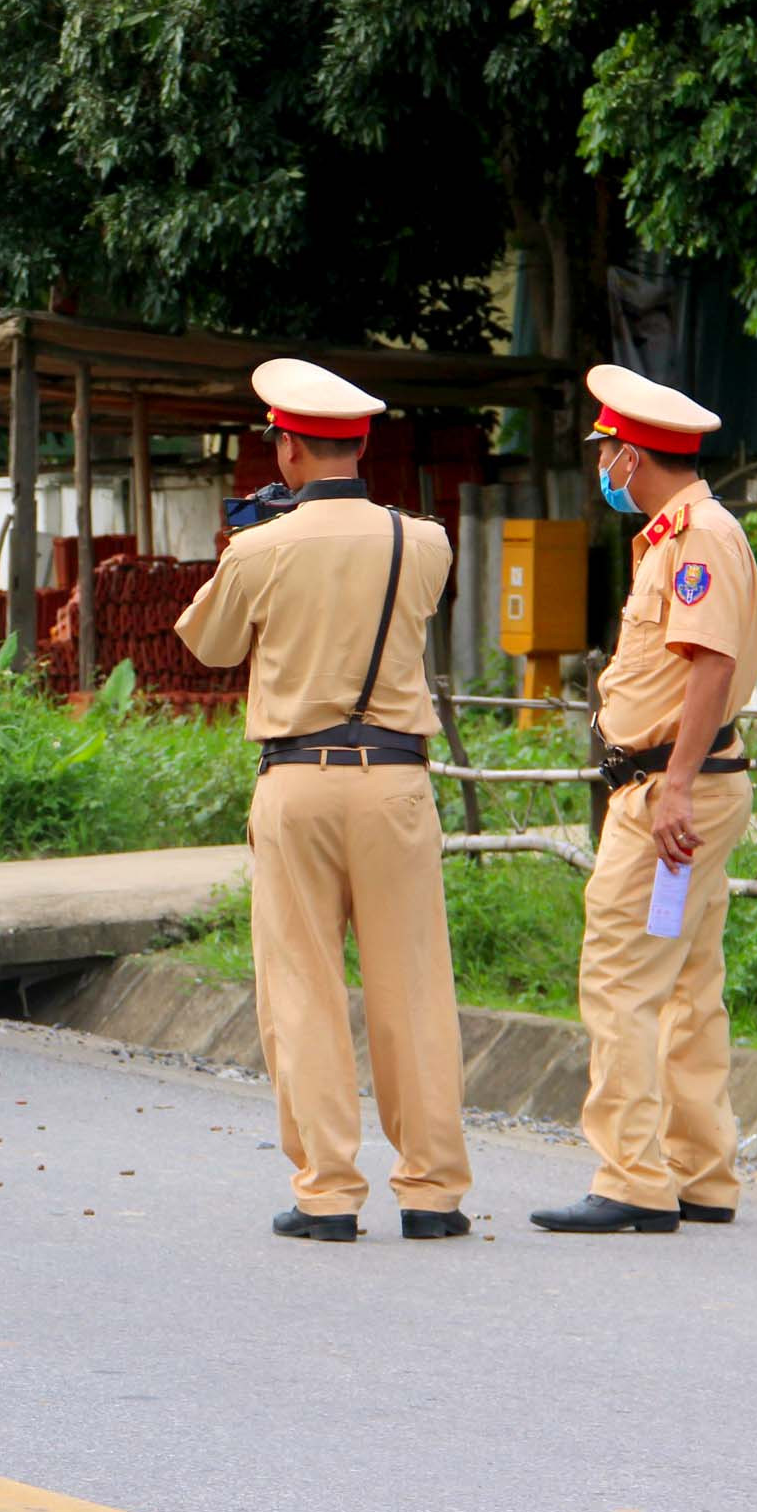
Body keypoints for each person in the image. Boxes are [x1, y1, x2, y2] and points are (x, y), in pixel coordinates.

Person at [175, 358, 473, 1242]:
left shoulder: (259, 547)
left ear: (290, 447)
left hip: (298, 781)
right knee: (414, 986)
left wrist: (259, 546)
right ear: (363, 443)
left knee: (302, 987)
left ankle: (329, 1194)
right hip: (396, 783)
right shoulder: (424, 540)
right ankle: (430, 1194)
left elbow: (210, 645)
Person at [531, 366, 757, 1235]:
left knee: (622, 975)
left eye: (605, 453)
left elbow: (709, 667)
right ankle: (701, 1172)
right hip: (689, 786)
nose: (603, 468)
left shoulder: (698, 538)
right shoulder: (681, 534)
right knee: (688, 981)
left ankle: (632, 1175)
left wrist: (670, 787)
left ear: (629, 454)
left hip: (674, 792)